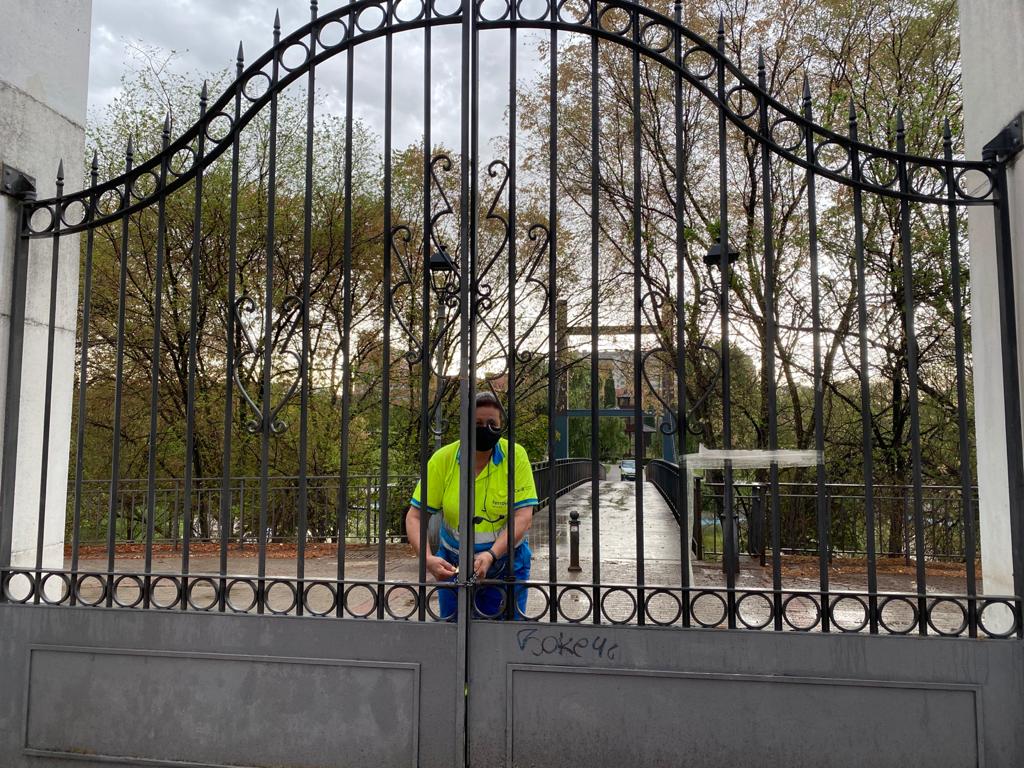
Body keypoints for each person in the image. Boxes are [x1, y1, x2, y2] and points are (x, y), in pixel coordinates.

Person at [405, 391, 538, 620]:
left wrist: (491, 555)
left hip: (506, 563)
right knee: (455, 630)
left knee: (502, 634)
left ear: (501, 425)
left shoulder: (515, 456)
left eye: (492, 423)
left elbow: (523, 517)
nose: (485, 429)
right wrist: (427, 559)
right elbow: (414, 516)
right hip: (453, 564)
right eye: (477, 423)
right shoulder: (443, 459)